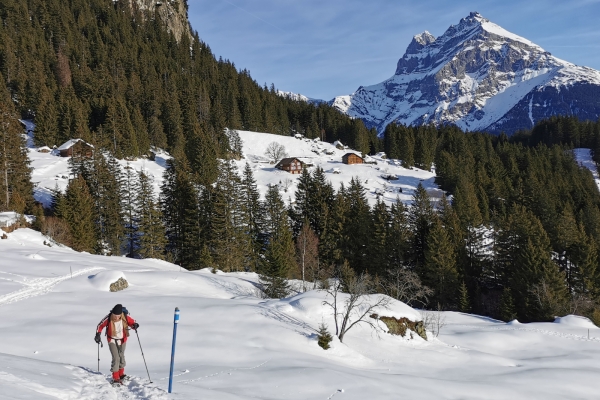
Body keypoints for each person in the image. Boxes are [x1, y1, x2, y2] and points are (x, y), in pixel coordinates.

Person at [95, 304, 139, 384]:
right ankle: (115, 377)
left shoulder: (125, 316)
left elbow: (132, 322)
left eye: (118, 315)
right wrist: (98, 334)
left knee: (121, 356)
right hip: (111, 339)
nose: (116, 317)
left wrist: (134, 326)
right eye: (115, 315)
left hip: (122, 340)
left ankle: (121, 374)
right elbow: (100, 325)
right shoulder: (109, 318)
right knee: (116, 357)